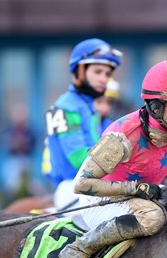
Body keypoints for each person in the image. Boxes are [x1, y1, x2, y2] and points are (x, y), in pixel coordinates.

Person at [58, 60, 167, 258]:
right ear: (156, 106)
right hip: (100, 202)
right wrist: (136, 188)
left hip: (140, 198)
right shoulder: (121, 136)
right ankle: (80, 248)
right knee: (154, 218)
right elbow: (81, 185)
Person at [44, 38, 122, 211]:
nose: (104, 79)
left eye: (107, 74)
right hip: (70, 189)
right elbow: (79, 158)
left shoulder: (91, 108)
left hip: (92, 186)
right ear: (79, 70)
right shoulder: (65, 107)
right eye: (98, 72)